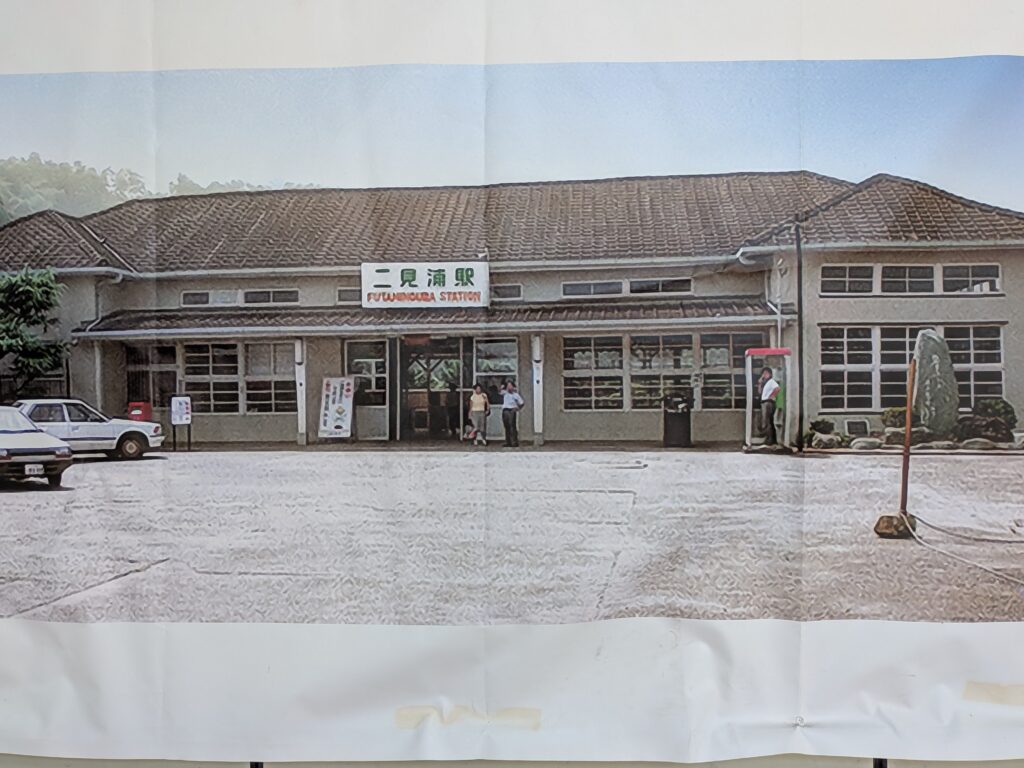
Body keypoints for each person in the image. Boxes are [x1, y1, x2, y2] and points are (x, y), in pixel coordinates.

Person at [758, 367, 780, 446]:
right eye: (763, 374)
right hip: (764, 402)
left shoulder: (771, 381)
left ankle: (770, 439)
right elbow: (759, 392)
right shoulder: (765, 383)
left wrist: (772, 395)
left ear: (770, 374)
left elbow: (777, 388)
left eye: (766, 373)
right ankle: (771, 439)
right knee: (767, 421)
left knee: (767, 421)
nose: (764, 375)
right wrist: (760, 383)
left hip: (768, 402)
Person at [501, 380, 525, 447]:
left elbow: (522, 403)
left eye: (510, 385)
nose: (509, 387)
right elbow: (500, 391)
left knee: (512, 426)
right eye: (508, 386)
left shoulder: (516, 395)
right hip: (505, 410)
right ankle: (508, 442)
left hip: (511, 410)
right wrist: (502, 387)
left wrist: (517, 408)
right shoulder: (505, 393)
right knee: (507, 427)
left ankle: (514, 442)